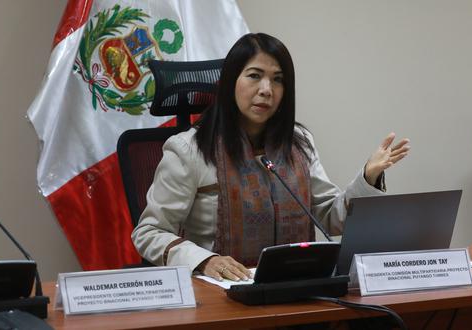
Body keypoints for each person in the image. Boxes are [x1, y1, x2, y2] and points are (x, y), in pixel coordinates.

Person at [132, 33, 409, 282]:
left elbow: (326, 217)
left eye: (278, 79)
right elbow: (149, 233)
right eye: (254, 75)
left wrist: (368, 177)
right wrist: (205, 261)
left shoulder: (298, 143)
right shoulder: (188, 149)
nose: (267, 89)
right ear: (230, 82)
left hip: (297, 287)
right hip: (223, 295)